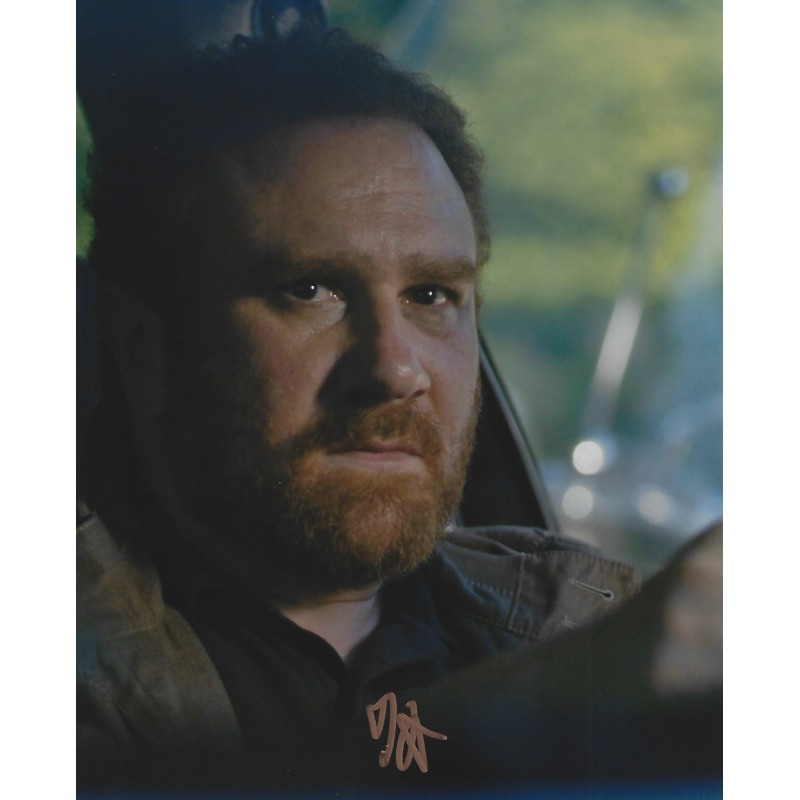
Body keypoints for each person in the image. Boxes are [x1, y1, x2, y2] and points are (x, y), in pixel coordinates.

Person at [77, 29, 721, 794]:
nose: (393, 368)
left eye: (432, 295)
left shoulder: (569, 613)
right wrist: (534, 709)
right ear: (145, 344)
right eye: (309, 290)